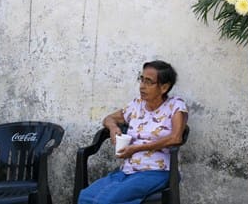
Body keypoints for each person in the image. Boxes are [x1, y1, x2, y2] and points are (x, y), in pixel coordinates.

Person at [78, 60, 188, 204]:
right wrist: (113, 128)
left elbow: (176, 138)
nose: (142, 86)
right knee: (85, 197)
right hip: (127, 170)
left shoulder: (175, 105)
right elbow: (109, 118)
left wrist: (137, 148)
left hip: (157, 171)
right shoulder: (136, 105)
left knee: (107, 200)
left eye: (149, 82)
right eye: (141, 79)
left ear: (164, 87)